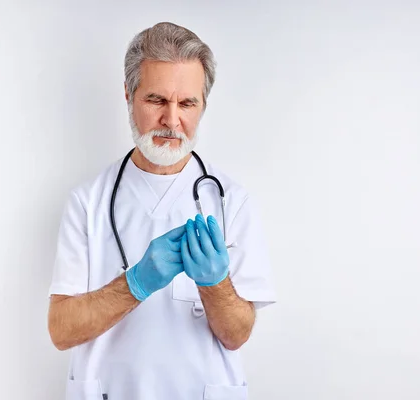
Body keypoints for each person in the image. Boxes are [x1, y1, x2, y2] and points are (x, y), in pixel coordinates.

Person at [47, 21, 276, 400]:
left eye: (187, 103)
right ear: (128, 94)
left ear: (203, 105)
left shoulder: (231, 202)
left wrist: (215, 283)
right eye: (156, 100)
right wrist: (135, 282)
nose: (172, 121)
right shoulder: (87, 202)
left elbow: (237, 335)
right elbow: (60, 330)